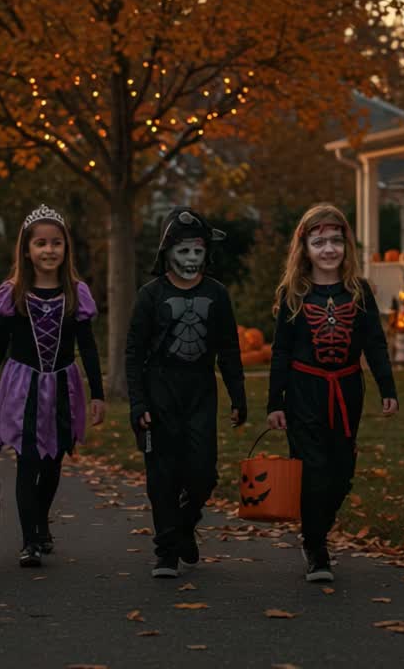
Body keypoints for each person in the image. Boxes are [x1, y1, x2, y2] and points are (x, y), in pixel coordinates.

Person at [266, 204, 399, 583]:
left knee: (341, 472)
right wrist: (276, 401)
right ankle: (316, 546)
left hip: (346, 388)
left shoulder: (358, 292)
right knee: (313, 471)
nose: (328, 249)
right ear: (304, 247)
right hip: (304, 389)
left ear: (347, 246)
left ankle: (317, 530)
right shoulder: (294, 294)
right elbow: (280, 351)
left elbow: (375, 344)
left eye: (336, 241)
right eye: (319, 241)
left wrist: (387, 388)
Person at [0, 205, 105, 567]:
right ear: (27, 250)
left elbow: (89, 347)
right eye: (41, 243)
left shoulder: (75, 294)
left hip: (63, 387)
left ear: (66, 249)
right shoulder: (13, 294)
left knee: (52, 464)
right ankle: (30, 539)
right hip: (23, 388)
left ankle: (41, 522)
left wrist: (98, 394)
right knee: (28, 461)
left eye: (57, 243)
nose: (49, 250)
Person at [125, 206, 246, 579]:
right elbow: (133, 352)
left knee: (203, 472)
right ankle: (166, 550)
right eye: (183, 251)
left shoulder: (218, 295)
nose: (191, 258)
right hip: (159, 387)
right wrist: (138, 402)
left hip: (199, 388)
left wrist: (238, 395)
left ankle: (183, 525)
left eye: (197, 251)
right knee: (162, 472)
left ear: (206, 254)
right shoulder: (150, 295)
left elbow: (228, 348)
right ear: (167, 253)